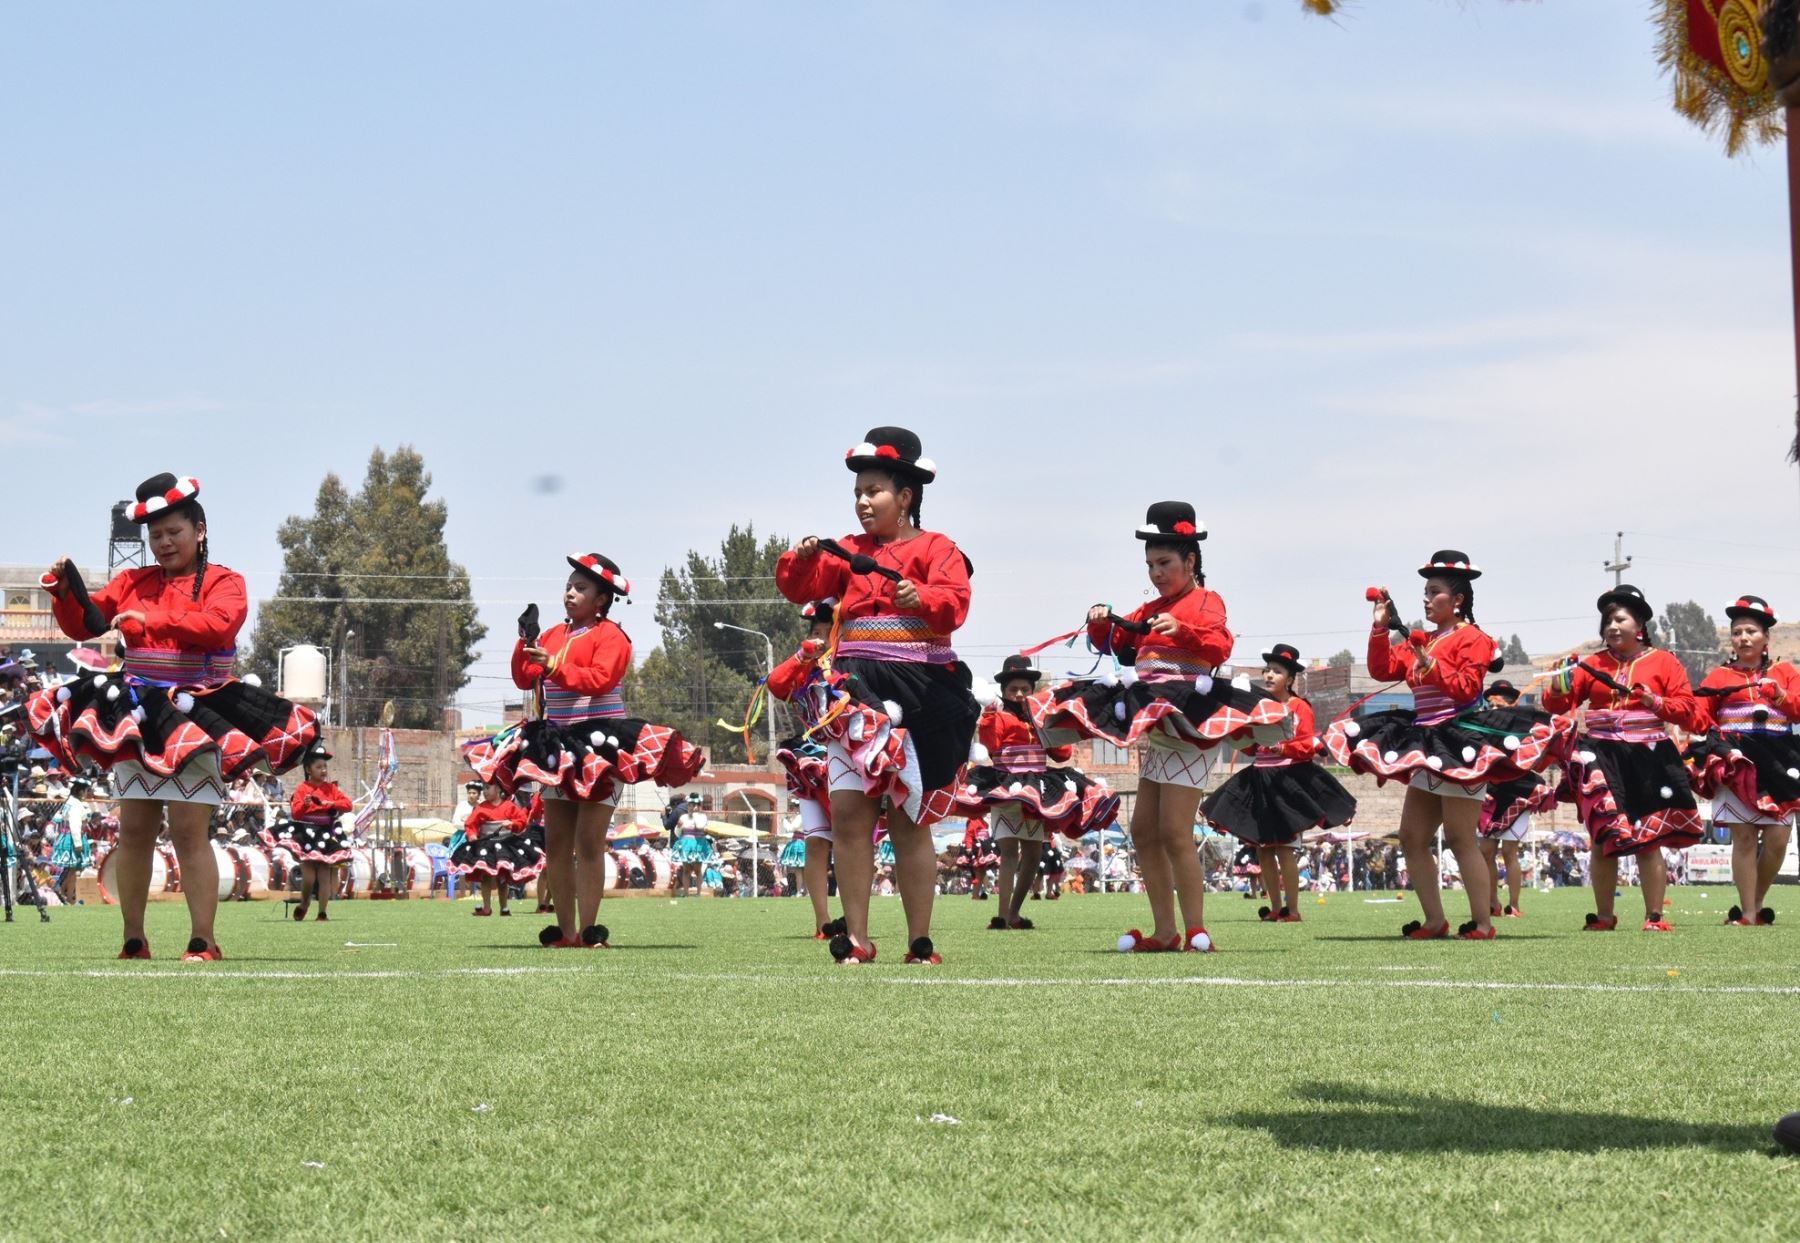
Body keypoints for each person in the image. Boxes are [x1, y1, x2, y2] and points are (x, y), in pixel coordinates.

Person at [28, 472, 319, 960]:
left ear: (199, 530)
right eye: (155, 536)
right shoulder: (131, 582)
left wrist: (152, 620)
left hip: (197, 713)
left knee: (189, 829)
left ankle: (203, 939)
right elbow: (89, 622)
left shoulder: (227, 582)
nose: (163, 543)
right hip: (138, 715)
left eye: (173, 533)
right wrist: (65, 591)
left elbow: (217, 625)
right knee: (135, 829)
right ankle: (133, 938)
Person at [1041, 501, 1289, 953]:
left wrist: (1183, 631)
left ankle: (1196, 930)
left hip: (1191, 719)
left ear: (1190, 561)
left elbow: (1219, 645)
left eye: (1165, 563)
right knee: (1143, 833)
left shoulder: (1206, 601)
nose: (1156, 572)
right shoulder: (1152, 606)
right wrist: (1101, 624)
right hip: (1159, 722)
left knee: (1174, 831)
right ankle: (1165, 930)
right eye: (1151, 564)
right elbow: (1122, 645)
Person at [775, 427, 979, 966]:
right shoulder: (847, 551)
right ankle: (859, 939)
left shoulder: (938, 548)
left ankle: (919, 941)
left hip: (920, 693)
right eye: (858, 493)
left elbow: (955, 605)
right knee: (848, 813)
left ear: (905, 496)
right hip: (853, 691)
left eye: (874, 491)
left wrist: (926, 596)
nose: (863, 502)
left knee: (911, 820)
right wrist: (799, 559)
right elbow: (800, 588)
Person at [1322, 551, 1565, 941]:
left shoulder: (1475, 639)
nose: (1425, 598)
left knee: (1459, 836)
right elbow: (1381, 670)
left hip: (1461, 739)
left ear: (1457, 601)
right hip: (1425, 740)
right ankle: (1434, 920)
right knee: (1412, 837)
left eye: (1433, 592)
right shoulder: (1425, 640)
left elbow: (1467, 688)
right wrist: (1380, 629)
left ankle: (1483, 923)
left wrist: (1429, 663)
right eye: (1424, 591)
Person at [469, 551, 703, 948]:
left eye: (580, 588)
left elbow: (600, 679)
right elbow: (525, 679)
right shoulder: (552, 636)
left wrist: (554, 665)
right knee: (556, 843)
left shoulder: (612, 636)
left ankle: (591, 928)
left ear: (601, 600)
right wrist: (524, 641)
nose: (570, 593)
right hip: (556, 747)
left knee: (590, 841)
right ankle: (566, 931)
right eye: (568, 587)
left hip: (600, 746)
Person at [1541, 585, 1702, 933]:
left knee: (1648, 839)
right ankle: (1603, 916)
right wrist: (1558, 687)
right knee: (1602, 838)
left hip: (1648, 756)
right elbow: (1557, 706)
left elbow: (1687, 710)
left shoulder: (1664, 662)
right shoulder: (1592, 664)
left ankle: (1654, 916)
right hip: (1601, 757)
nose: (1612, 626)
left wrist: (1655, 703)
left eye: (1620, 619)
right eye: (1607, 621)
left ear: (1639, 623)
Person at [960, 655, 1119, 930]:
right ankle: (1000, 916)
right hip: (1007, 788)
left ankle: (1013, 912)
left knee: (1033, 854)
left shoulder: (1041, 717)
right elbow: (990, 745)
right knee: (1009, 851)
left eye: (1024, 689)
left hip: (1037, 789)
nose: (1019, 694)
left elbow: (1060, 753)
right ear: (1004, 691)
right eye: (1013, 689)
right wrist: (987, 715)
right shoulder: (999, 716)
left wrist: (1056, 725)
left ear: (1032, 690)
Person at [1201, 644, 1356, 924]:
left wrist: (1280, 748)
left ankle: (1292, 910)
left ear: (1291, 679)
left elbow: (1306, 745)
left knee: (1285, 848)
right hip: (1259, 779)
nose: (1269, 676)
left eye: (1277, 671)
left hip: (1287, 781)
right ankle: (1274, 907)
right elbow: (1250, 745)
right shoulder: (1257, 706)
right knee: (1263, 848)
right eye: (1267, 671)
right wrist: (1238, 738)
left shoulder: (1299, 707)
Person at [1685, 594, 1800, 926]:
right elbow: (1699, 718)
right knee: (1745, 837)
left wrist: (1779, 694)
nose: (1744, 638)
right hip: (1737, 763)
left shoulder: (1786, 672)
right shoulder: (1718, 677)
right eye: (1737, 632)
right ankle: (1749, 913)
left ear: (1766, 638)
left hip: (1780, 760)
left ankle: (1757, 900)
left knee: (1778, 839)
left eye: (1751, 631)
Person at [766, 600, 845, 938]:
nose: (815, 637)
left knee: (850, 841)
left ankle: (855, 916)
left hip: (848, 757)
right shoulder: (804, 668)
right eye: (812, 631)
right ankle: (822, 921)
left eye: (822, 631)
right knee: (817, 843)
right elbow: (776, 684)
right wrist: (802, 656)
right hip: (811, 763)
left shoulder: (851, 662)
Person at [1475, 681, 1555, 920]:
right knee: (1486, 851)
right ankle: (1492, 902)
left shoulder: (1525, 725)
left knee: (1510, 851)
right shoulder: (1482, 726)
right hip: (1491, 791)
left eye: (1502, 697)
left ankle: (1514, 904)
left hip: (1520, 790)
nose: (1496, 702)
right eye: (1493, 698)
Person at [271, 742, 354, 922]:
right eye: (319, 767)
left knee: (324, 875)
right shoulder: (302, 789)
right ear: (309, 769)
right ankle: (305, 903)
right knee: (308, 877)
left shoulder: (331, 789)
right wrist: (306, 804)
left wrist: (330, 804)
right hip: (307, 834)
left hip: (326, 834)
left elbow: (348, 805)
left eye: (325, 766)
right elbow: (296, 812)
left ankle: (322, 912)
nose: (323, 770)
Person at [448, 777, 541, 917]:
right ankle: (486, 908)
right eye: (484, 788)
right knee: (485, 876)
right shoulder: (480, 808)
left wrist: (510, 824)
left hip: (505, 845)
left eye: (488, 788)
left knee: (502, 878)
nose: (484, 791)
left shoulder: (509, 806)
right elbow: (470, 824)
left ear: (498, 789)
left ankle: (504, 907)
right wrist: (472, 835)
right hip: (485, 845)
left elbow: (521, 820)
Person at [48, 775, 95, 905]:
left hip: (66, 837)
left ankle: (64, 896)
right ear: (81, 791)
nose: (87, 793)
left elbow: (58, 819)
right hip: (73, 839)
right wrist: (78, 843)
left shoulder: (69, 802)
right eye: (86, 790)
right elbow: (75, 824)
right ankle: (67, 897)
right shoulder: (75, 804)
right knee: (73, 870)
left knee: (70, 870)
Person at [670, 799, 716, 898]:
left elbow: (700, 826)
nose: (694, 807)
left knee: (697, 870)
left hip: (698, 844)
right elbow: (678, 833)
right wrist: (678, 826)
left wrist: (694, 817)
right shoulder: (683, 817)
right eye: (691, 805)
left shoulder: (703, 817)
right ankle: (686, 893)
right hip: (686, 844)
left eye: (696, 805)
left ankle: (698, 893)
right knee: (686, 870)